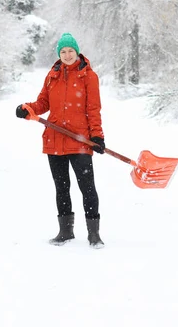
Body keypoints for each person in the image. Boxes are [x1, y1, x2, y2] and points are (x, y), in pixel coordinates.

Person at [16, 33, 106, 248]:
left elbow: (93, 109)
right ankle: (65, 231)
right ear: (59, 54)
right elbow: (42, 103)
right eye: (63, 51)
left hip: (80, 140)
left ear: (77, 52)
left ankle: (94, 234)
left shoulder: (88, 76)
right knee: (61, 187)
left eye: (70, 51)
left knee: (88, 187)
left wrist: (97, 135)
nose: (67, 55)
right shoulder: (52, 75)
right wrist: (26, 108)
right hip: (55, 140)